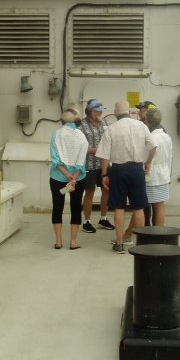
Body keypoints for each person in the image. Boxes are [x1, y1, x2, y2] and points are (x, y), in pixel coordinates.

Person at [96, 100, 157, 253]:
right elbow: (153, 146)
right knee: (139, 208)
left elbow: (103, 155)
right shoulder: (141, 125)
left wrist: (104, 174)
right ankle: (141, 243)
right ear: (129, 112)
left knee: (119, 207)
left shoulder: (111, 128)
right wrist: (148, 163)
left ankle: (119, 242)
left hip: (118, 170)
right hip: (137, 169)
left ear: (116, 113)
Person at [49, 109, 88, 250]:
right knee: (76, 207)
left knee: (57, 207)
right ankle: (73, 241)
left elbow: (55, 159)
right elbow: (82, 159)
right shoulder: (81, 136)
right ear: (75, 120)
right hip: (78, 179)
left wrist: (66, 174)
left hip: (57, 177)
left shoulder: (56, 134)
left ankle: (58, 241)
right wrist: (74, 176)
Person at [79, 99, 115, 233]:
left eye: (101, 110)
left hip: (103, 164)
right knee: (89, 192)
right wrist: (97, 150)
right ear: (89, 110)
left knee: (107, 189)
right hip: (88, 165)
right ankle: (87, 221)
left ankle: (103, 218)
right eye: (96, 110)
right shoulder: (81, 125)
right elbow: (80, 147)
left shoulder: (104, 123)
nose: (99, 112)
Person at [144, 108, 172, 225]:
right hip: (164, 176)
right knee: (160, 206)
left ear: (148, 122)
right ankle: (159, 235)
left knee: (142, 207)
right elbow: (170, 157)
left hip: (151, 177)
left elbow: (145, 159)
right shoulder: (167, 137)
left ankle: (138, 233)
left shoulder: (151, 138)